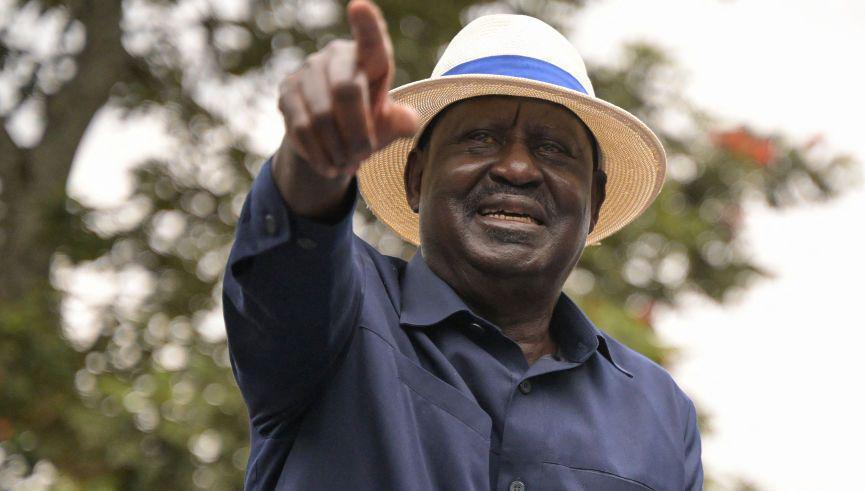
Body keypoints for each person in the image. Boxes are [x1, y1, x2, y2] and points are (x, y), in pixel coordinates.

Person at [222, 0, 703, 489]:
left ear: (594, 200)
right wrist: (311, 165)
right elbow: (287, 266)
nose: (516, 168)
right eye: (479, 138)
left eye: (553, 148)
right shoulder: (342, 313)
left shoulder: (660, 413)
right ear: (416, 178)